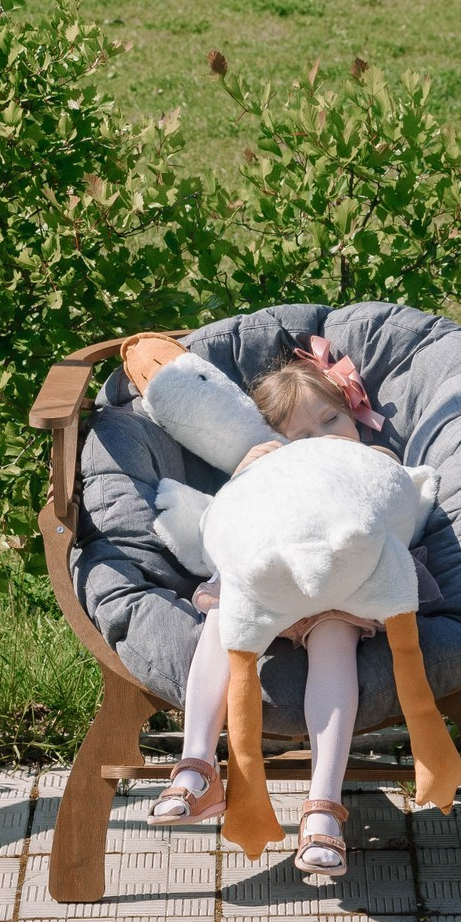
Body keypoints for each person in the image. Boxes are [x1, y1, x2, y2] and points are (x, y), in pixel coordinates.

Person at [147, 341, 404, 882]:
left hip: (337, 584)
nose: (322, 440)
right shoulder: (267, 463)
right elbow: (235, 520)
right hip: (264, 579)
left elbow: (390, 504)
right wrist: (249, 471)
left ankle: (322, 810)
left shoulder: (372, 457)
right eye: (300, 437)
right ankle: (195, 766)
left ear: (353, 412)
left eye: (332, 419)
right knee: (223, 621)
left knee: (335, 638)